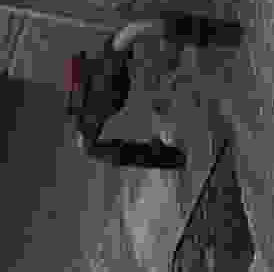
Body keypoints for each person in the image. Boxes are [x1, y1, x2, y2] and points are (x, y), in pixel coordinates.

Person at [66, 11, 238, 172]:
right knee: (138, 34)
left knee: (88, 147)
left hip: (102, 106)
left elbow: (86, 144)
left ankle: (174, 158)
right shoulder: (105, 63)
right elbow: (133, 31)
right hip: (109, 90)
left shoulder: (87, 116)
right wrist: (171, 29)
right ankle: (224, 34)